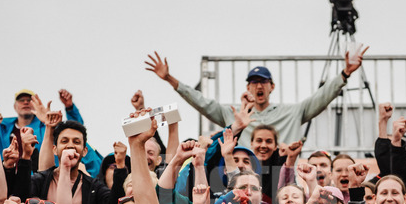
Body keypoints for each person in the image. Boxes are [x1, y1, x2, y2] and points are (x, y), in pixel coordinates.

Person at [145, 49, 367, 146]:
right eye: (253, 82)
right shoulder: (233, 115)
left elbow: (322, 97)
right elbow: (202, 103)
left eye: (263, 82)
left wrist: (345, 73)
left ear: (272, 87)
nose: (258, 86)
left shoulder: (292, 112)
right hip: (246, 180)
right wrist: (170, 79)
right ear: (248, 88)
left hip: (282, 178)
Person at [0, 88, 102, 177]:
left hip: (37, 180)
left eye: (29, 100)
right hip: (4, 179)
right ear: (15, 106)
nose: (26, 102)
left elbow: (75, 132)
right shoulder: (1, 126)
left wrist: (69, 107)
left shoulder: (46, 127)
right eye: (21, 100)